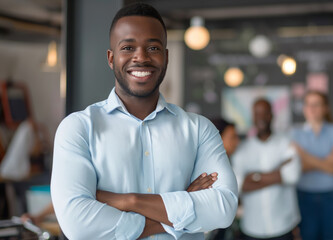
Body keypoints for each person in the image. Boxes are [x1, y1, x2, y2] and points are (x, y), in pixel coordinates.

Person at [51, 3, 238, 240]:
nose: (141, 57)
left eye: (153, 47)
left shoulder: (199, 130)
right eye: (128, 47)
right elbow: (78, 225)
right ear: (111, 58)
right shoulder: (78, 128)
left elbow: (224, 208)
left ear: (166, 57)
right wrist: (177, 211)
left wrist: (130, 200)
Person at [232, 98, 301, 240]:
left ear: (272, 115)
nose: (261, 118)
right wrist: (278, 173)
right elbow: (238, 184)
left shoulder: (286, 142)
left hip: (283, 226)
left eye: (265, 113)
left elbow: (292, 175)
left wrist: (254, 177)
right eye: (257, 114)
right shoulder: (242, 149)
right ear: (252, 117)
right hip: (252, 227)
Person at [291, 91, 333, 240]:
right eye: (308, 104)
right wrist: (325, 161)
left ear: (325, 108)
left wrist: (303, 154)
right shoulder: (294, 133)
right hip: (304, 197)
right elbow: (297, 168)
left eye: (316, 104)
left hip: (331, 197)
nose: (311, 108)